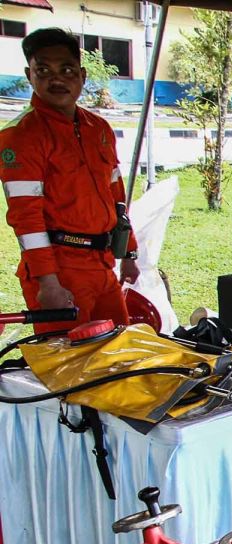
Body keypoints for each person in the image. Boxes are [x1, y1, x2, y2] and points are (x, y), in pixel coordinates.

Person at [1, 28, 139, 334]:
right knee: (73, 371)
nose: (57, 79)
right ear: (29, 75)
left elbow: (115, 195)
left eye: (66, 70)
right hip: (61, 270)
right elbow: (27, 219)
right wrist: (48, 282)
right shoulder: (21, 136)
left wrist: (127, 252)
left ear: (82, 74)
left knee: (121, 357)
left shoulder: (98, 128)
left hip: (103, 265)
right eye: (44, 70)